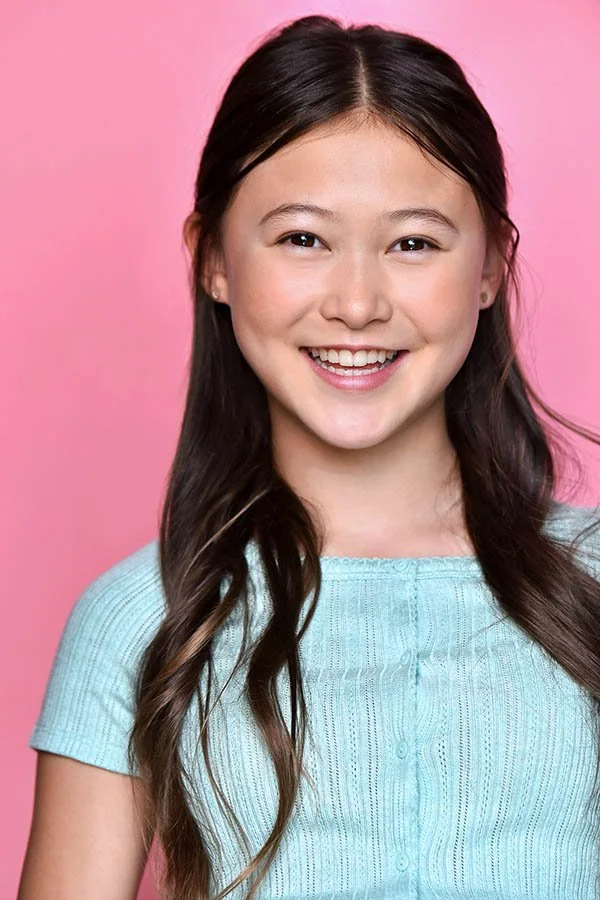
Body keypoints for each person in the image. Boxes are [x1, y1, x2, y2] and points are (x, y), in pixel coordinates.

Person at [18, 13, 600, 900]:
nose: (357, 305)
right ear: (213, 259)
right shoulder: (140, 622)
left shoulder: (591, 584)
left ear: (490, 266)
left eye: (414, 243)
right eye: (302, 238)